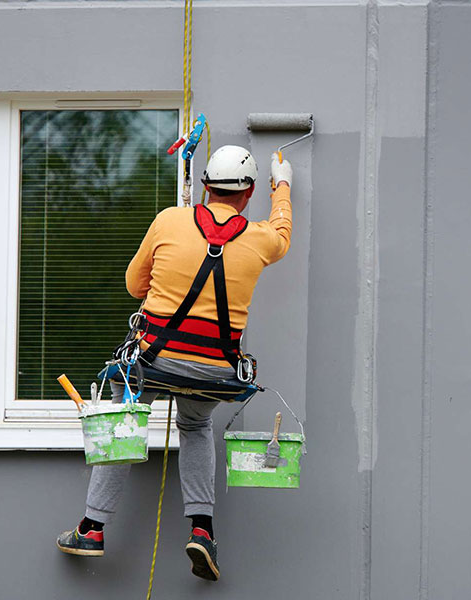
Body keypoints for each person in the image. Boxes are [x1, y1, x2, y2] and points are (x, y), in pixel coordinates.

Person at [56, 146, 293, 582]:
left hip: (152, 362)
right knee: (196, 426)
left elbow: (133, 285)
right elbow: (282, 230)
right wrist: (284, 184)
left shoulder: (169, 220)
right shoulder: (262, 239)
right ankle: (202, 531)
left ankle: (91, 530)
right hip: (216, 373)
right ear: (249, 193)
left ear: (205, 187)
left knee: (125, 422)